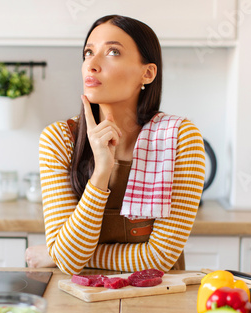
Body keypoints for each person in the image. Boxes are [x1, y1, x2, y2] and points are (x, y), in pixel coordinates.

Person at [25, 15, 205, 275]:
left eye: (112, 52)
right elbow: (67, 260)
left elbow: (159, 259)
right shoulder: (58, 139)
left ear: (147, 73)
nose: (92, 64)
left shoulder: (180, 138)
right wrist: (101, 172)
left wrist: (55, 252)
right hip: (79, 298)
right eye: (88, 52)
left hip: (154, 297)